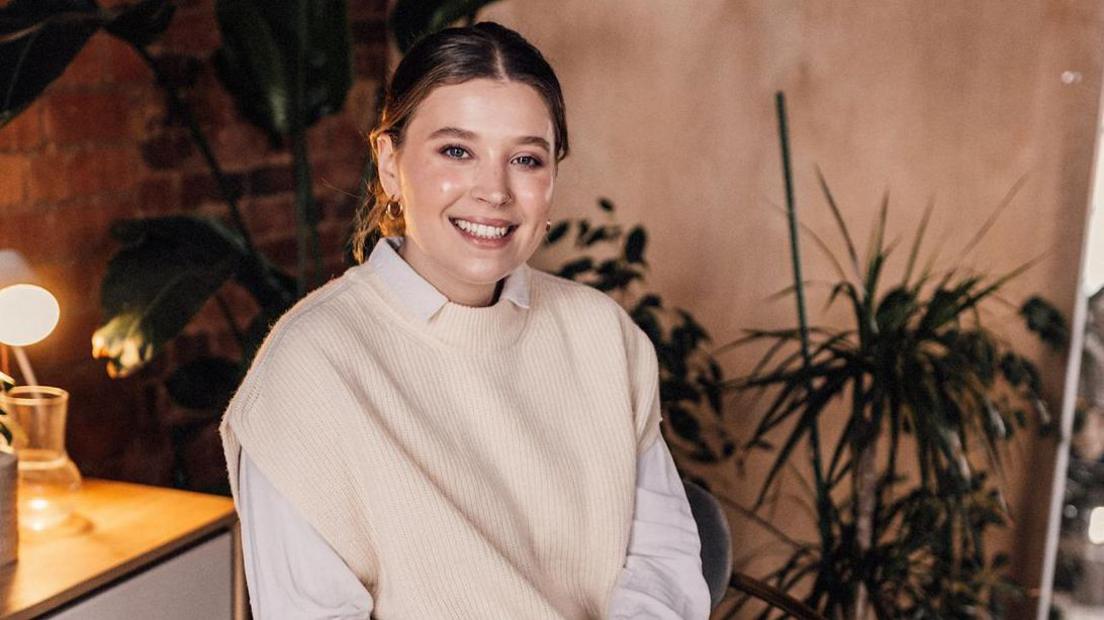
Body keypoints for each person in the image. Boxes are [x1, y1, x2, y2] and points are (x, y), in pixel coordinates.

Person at [218, 21, 711, 620]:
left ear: (552, 176)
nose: (494, 190)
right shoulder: (309, 369)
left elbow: (662, 562)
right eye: (457, 151)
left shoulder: (602, 335)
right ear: (390, 164)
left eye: (526, 159)